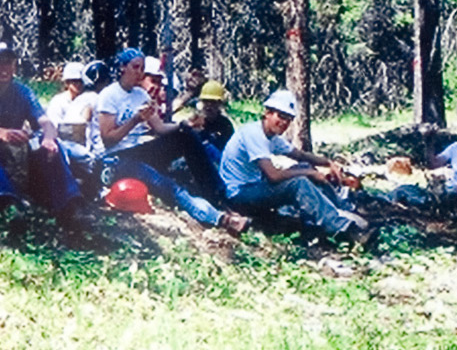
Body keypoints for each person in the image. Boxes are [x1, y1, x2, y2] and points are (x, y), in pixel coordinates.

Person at [98, 49, 245, 235]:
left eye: (142, 68)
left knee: (186, 136)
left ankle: (217, 195)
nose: (139, 73)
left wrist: (184, 125)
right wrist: (135, 120)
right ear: (122, 68)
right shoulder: (109, 95)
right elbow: (108, 139)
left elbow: (159, 128)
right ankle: (217, 217)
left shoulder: (141, 95)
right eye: (135, 67)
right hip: (116, 157)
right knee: (163, 182)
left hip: (139, 149)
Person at [219, 89, 370, 245]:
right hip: (239, 193)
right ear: (267, 113)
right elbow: (273, 176)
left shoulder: (271, 137)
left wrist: (328, 163)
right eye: (281, 116)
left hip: (254, 186)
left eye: (289, 119)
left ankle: (342, 210)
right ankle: (342, 229)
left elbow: (299, 155)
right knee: (298, 182)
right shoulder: (254, 134)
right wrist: (309, 173)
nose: (284, 123)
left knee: (303, 166)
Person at [0, 41, 84, 226]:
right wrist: (0, 133)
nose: (4, 68)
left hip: (15, 153)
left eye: (9, 62)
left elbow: (45, 122)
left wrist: (49, 139)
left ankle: (69, 204)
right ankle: (6, 201)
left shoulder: (23, 92)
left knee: (50, 143)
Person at [184, 80, 235, 151]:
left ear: (219, 103)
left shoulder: (225, 125)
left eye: (213, 102)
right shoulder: (195, 123)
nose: (209, 105)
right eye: (206, 101)